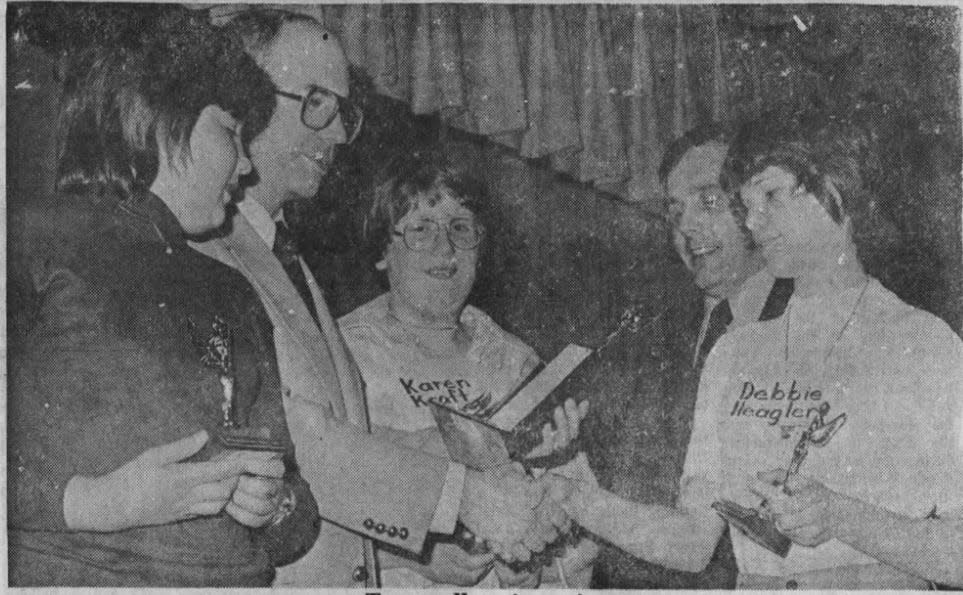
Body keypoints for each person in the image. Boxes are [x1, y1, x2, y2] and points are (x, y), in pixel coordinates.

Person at [190, 8, 566, 587]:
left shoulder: (284, 257)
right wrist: (465, 497)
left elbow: (352, 442)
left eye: (343, 113)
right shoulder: (211, 252)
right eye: (316, 103)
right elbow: (293, 435)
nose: (338, 134)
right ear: (244, 103)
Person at [547, 114, 963, 589]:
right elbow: (691, 543)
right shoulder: (735, 353)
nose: (753, 221)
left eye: (770, 196)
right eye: (745, 205)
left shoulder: (923, 343)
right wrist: (568, 496)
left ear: (837, 188)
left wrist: (842, 518)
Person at [8, 7, 318, 586]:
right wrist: (93, 504)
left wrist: (275, 505)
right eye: (230, 131)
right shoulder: (29, 239)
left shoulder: (233, 291)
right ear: (156, 119)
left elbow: (297, 515)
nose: (246, 165)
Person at [337, 153, 598, 587]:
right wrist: (411, 557)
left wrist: (539, 565)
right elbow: (306, 514)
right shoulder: (341, 355)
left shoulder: (517, 361)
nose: (446, 249)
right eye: (421, 230)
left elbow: (583, 526)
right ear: (382, 251)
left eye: (460, 228)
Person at [579, 123, 792, 588]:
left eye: (709, 202)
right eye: (675, 210)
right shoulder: (645, 332)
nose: (686, 226)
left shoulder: (803, 326)